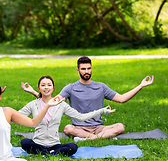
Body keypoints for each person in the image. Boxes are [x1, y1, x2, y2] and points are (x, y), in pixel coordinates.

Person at [21, 56, 154, 140]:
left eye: (89, 68)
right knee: (68, 128)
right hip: (79, 128)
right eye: (83, 69)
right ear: (78, 70)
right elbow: (52, 102)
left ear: (91, 69)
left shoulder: (100, 87)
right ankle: (101, 138)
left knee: (120, 127)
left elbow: (122, 99)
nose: (86, 71)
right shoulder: (70, 88)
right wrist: (33, 91)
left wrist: (141, 86)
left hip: (98, 127)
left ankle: (91, 138)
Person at [19, 76, 115, 156]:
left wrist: (102, 111)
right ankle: (49, 153)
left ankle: (45, 154)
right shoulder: (33, 104)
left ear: (53, 88)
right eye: (43, 85)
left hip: (55, 144)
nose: (46, 87)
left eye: (49, 85)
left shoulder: (61, 105)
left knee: (73, 147)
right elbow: (17, 115)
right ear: (39, 88)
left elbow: (81, 117)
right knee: (25, 142)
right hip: (37, 143)